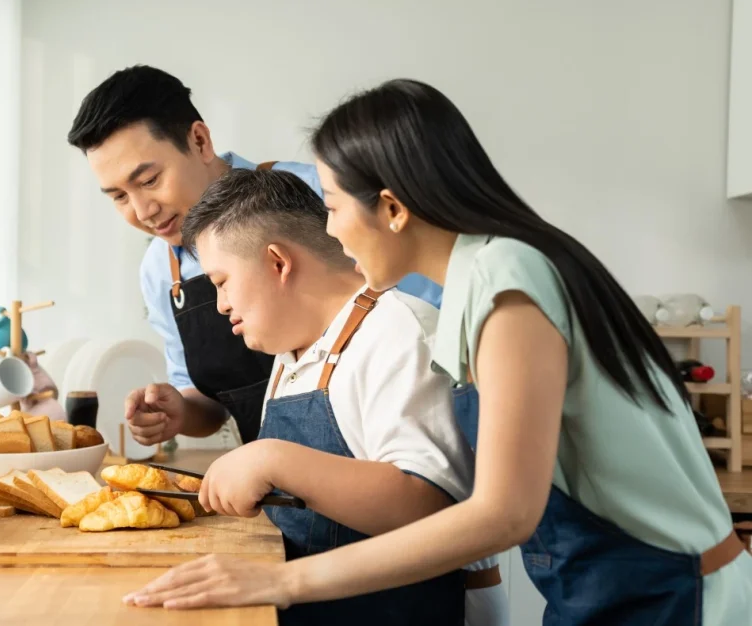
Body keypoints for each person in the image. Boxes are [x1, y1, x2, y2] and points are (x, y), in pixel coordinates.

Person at [122, 79, 752, 624]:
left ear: (392, 209)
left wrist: (283, 582)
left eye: (335, 207)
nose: (331, 231)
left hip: (680, 597)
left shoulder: (508, 282)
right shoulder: (480, 282)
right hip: (602, 593)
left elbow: (503, 513)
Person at [174, 167, 508, 626]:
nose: (221, 305)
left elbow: (429, 508)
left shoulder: (398, 333)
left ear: (277, 262)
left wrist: (273, 458)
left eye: (221, 281)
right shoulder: (294, 349)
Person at [67, 65, 441, 448]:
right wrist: (178, 411)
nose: (143, 210)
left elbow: (424, 315)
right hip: (268, 485)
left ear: (199, 141)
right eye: (118, 197)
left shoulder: (320, 195)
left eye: (149, 181)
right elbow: (212, 402)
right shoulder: (160, 270)